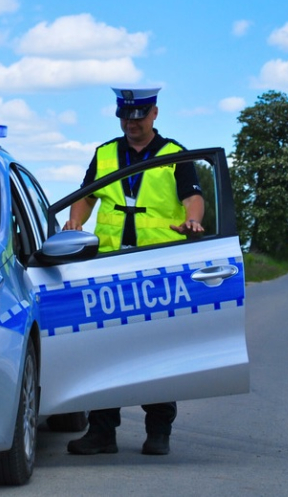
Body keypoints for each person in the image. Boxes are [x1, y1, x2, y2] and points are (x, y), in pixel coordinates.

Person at [63, 87, 205, 456]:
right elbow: (87, 195)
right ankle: (102, 433)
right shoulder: (105, 153)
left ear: (154, 114)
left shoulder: (176, 154)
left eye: (139, 116)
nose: (132, 123)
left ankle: (158, 432)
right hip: (109, 266)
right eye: (126, 116)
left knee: (157, 351)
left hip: (157, 268)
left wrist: (193, 220)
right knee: (106, 350)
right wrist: (74, 223)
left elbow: (193, 196)